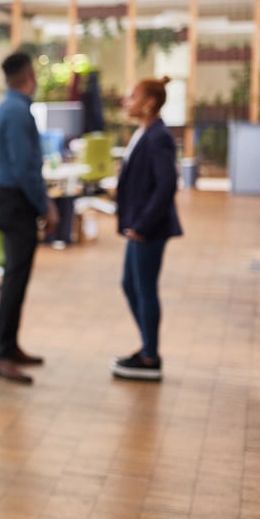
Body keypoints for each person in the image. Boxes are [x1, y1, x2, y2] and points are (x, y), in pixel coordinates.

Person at [0, 52, 59, 385]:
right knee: (15, 278)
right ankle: (2, 353)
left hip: (11, 198)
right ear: (29, 74)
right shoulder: (18, 112)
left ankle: (9, 345)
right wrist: (45, 205)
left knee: (16, 277)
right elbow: (25, 167)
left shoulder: (8, 106)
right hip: (17, 201)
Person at [112, 76, 182, 381]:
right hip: (138, 227)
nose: (127, 102)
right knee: (130, 285)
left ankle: (151, 356)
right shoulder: (145, 132)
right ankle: (147, 347)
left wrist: (142, 224)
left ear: (149, 102)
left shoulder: (158, 137)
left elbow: (166, 185)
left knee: (144, 288)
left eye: (132, 97)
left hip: (148, 228)